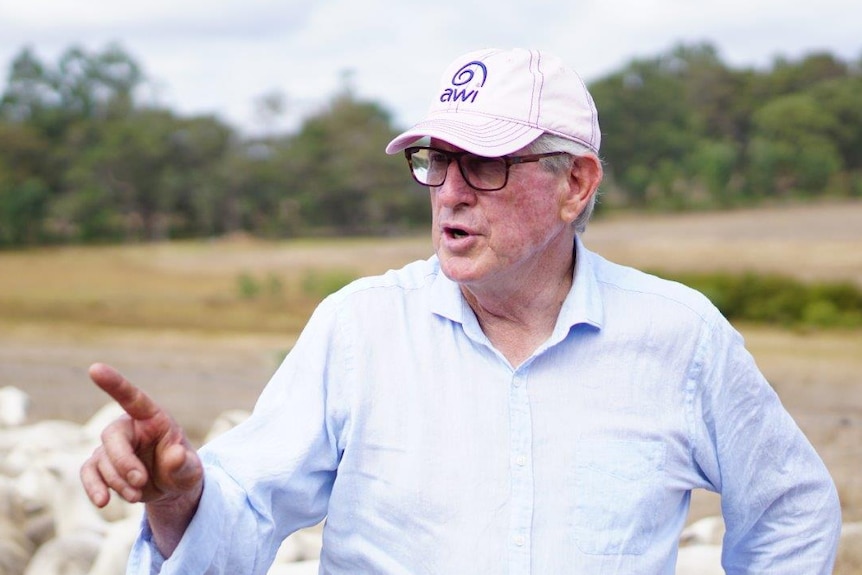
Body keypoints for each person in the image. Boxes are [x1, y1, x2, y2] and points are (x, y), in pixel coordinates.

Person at [80, 48, 842, 574]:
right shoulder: (361, 329)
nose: (448, 190)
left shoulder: (681, 337)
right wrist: (180, 497)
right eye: (436, 160)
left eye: (482, 162)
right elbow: (240, 510)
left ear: (575, 183)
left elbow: (792, 508)